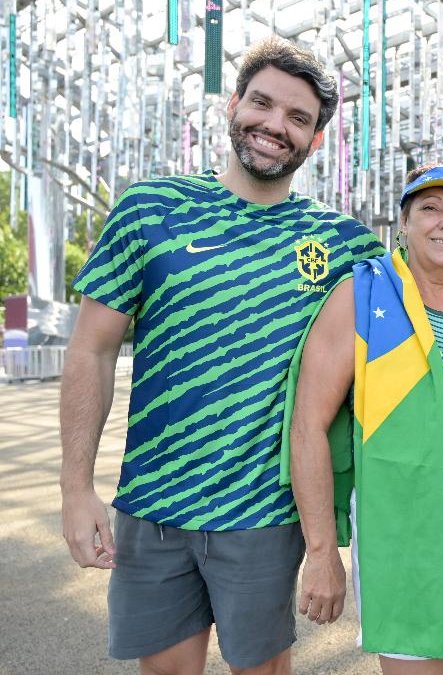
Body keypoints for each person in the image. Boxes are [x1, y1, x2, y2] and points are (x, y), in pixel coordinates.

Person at [59, 37, 385, 674]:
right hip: (153, 505)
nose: (274, 126)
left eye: (297, 118)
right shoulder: (151, 210)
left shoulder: (342, 242)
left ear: (316, 139)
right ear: (233, 105)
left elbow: (425, 304)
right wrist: (76, 488)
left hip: (262, 513)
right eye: (261, 104)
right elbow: (92, 351)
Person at [287, 164, 443, 675]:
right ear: (404, 224)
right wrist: (321, 551)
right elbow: (307, 426)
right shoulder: (362, 298)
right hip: (405, 523)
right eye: (429, 209)